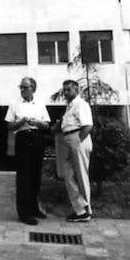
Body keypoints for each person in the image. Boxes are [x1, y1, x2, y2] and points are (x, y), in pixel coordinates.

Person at [5, 76, 51, 225]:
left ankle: (33, 208)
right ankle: (23, 213)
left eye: (25, 87)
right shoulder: (15, 104)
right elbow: (9, 126)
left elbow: (46, 125)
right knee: (23, 176)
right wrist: (21, 122)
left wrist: (37, 122)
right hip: (23, 138)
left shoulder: (40, 103)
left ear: (33, 89)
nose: (22, 90)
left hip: (37, 138)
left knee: (35, 174)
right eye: (21, 87)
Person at [57, 79, 94, 222]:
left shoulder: (80, 104)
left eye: (68, 90)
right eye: (64, 90)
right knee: (68, 175)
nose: (65, 92)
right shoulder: (70, 106)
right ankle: (80, 209)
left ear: (76, 90)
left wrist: (78, 142)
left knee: (81, 176)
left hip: (78, 139)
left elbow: (88, 126)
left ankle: (86, 211)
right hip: (68, 140)